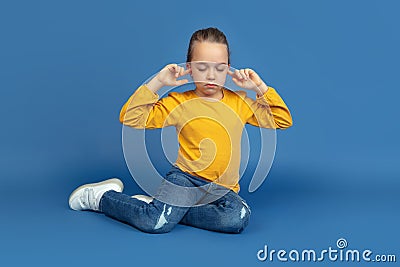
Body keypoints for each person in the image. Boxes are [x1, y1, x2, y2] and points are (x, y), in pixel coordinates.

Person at [68, 27, 293, 234]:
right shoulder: (179, 103)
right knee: (155, 223)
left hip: (222, 189)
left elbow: (282, 119)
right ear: (189, 68)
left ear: (228, 69)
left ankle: (164, 208)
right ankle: (100, 197)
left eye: (220, 68)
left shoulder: (240, 103)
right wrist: (158, 82)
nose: (211, 76)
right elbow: (130, 117)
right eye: (202, 67)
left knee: (237, 218)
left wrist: (259, 87)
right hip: (185, 180)